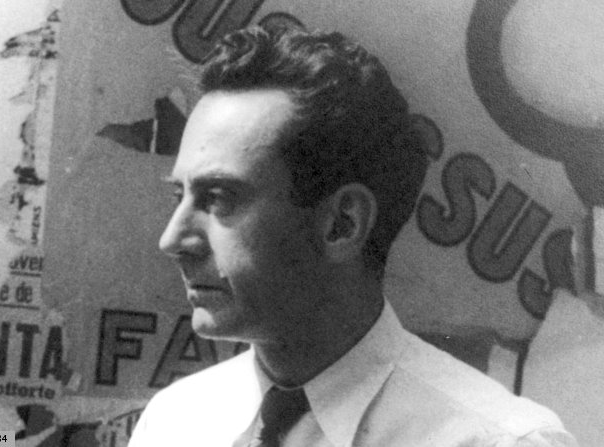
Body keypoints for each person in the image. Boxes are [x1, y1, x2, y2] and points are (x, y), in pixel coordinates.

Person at [129, 26, 577, 447]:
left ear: (342, 223)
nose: (172, 240)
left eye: (219, 198)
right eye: (180, 196)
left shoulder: (497, 440)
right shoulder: (174, 423)